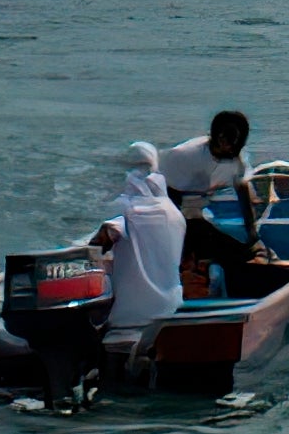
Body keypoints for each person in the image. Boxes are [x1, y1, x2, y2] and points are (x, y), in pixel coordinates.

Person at [159, 109, 270, 279]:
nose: (231, 146)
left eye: (236, 141)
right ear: (218, 137)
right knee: (196, 241)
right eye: (227, 139)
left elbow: (242, 191)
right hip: (169, 212)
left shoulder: (236, 160)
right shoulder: (185, 156)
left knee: (243, 254)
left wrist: (251, 231)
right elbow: (167, 194)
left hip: (197, 212)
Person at [90, 143, 186, 328]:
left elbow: (93, 247)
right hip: (170, 310)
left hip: (129, 316)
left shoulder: (124, 209)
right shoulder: (174, 213)